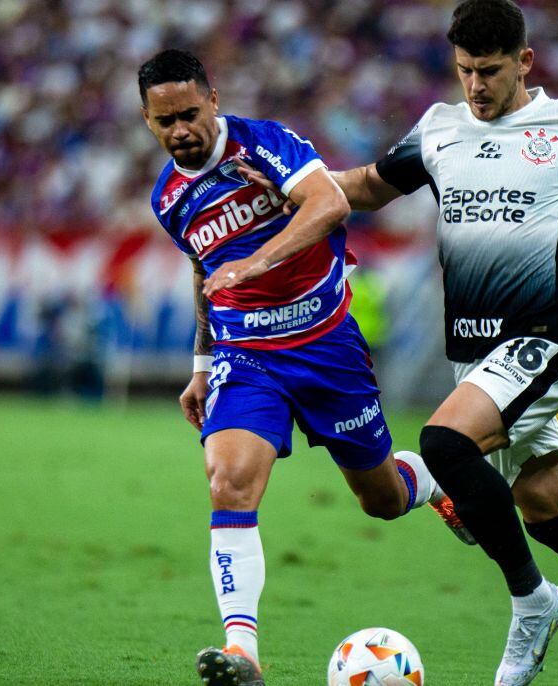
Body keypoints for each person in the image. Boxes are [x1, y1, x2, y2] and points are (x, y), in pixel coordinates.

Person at [237, 3, 558, 684]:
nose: (475, 85)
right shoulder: (438, 130)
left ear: (524, 63)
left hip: (543, 343)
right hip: (474, 359)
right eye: (465, 70)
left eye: (489, 71)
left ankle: (532, 602)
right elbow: (367, 187)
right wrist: (289, 186)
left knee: (445, 445)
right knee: (553, 514)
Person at [137, 49, 444, 686]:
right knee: (228, 481)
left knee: (382, 500)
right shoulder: (167, 197)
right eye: (165, 121)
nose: (181, 131)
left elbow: (329, 204)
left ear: (213, 99)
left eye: (190, 114)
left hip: (327, 344)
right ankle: (242, 649)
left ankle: (435, 481)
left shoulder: (265, 144)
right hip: (245, 355)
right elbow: (203, 270)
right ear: (148, 120)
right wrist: (200, 364)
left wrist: (253, 264)